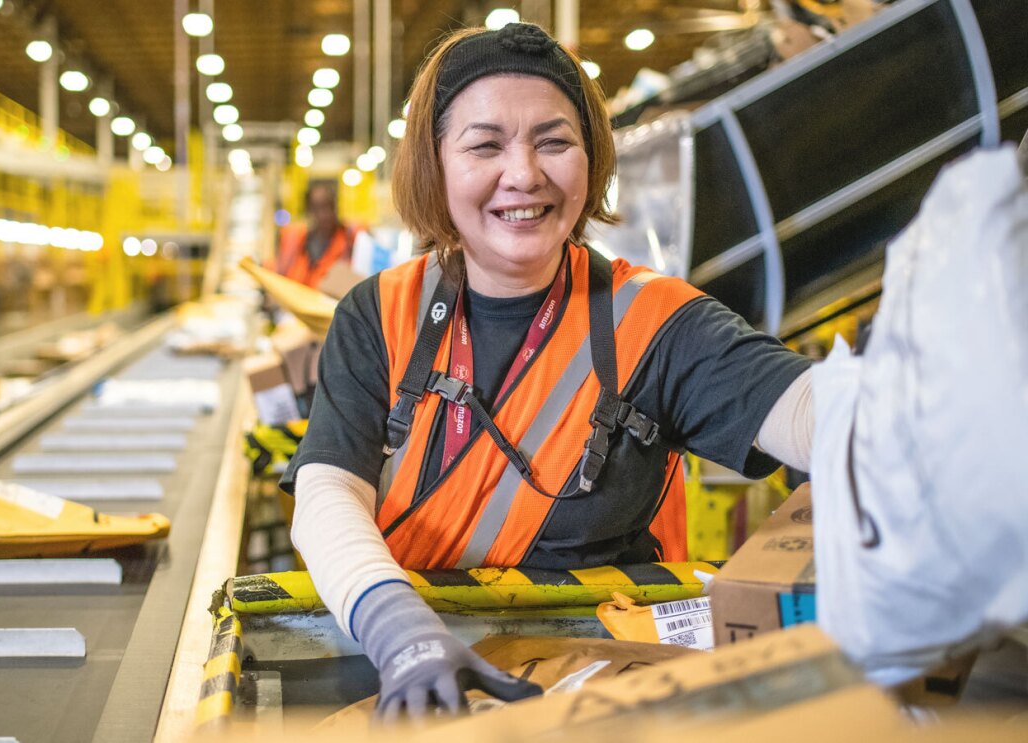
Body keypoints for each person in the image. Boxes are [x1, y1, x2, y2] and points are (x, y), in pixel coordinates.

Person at [283, 23, 814, 721]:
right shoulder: (381, 314)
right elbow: (326, 493)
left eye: (555, 141)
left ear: (591, 160)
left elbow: (820, 416)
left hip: (601, 698)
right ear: (434, 166)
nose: (525, 173)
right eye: (485, 144)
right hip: (399, 677)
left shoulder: (655, 322)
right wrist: (397, 628)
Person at [272, 180, 358, 288]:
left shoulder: (350, 241)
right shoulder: (298, 242)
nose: (324, 215)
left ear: (335, 206)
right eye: (317, 208)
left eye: (328, 206)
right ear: (309, 210)